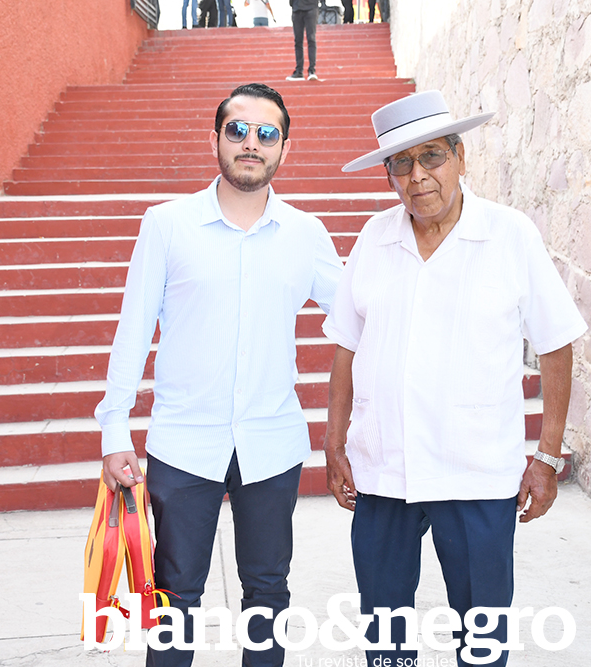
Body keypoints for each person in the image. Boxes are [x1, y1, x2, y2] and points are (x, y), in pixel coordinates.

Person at [322, 90, 587, 667]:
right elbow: (347, 345)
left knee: (482, 633)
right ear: (389, 175)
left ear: (461, 157)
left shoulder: (510, 234)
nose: (417, 176)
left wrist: (547, 457)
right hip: (384, 467)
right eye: (401, 164)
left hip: (475, 471)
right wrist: (334, 440)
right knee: (385, 632)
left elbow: (556, 344)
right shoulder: (374, 238)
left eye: (432, 156)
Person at [95, 82, 343, 667]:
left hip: (271, 443)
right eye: (238, 130)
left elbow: (360, 314)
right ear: (215, 140)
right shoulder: (167, 224)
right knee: (175, 596)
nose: (251, 143)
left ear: (284, 147)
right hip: (185, 443)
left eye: (267, 133)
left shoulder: (306, 234)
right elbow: (133, 329)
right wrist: (114, 430)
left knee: (268, 593)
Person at [286, 0, 318, 81]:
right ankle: (299, 71)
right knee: (298, 41)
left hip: (311, 8)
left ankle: (312, 71)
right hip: (297, 9)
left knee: (311, 39)